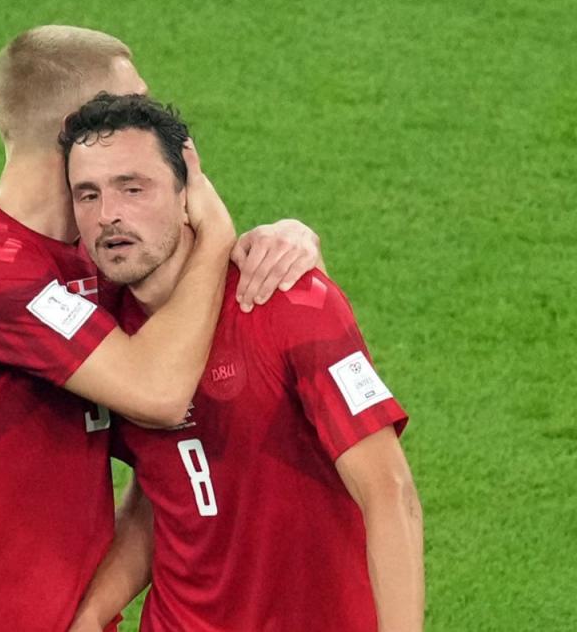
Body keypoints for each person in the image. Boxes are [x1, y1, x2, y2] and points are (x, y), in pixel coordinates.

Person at [0, 26, 325, 631]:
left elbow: (184, 440)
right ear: (80, 128)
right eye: (132, 105)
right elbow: (157, 394)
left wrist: (288, 235)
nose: (158, 124)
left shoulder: (105, 259)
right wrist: (217, 239)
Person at [61, 94, 424, 632]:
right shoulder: (102, 332)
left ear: (189, 187)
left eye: (133, 188)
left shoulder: (289, 302)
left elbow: (389, 494)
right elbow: (165, 493)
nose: (108, 213)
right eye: (87, 194)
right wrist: (90, 615)